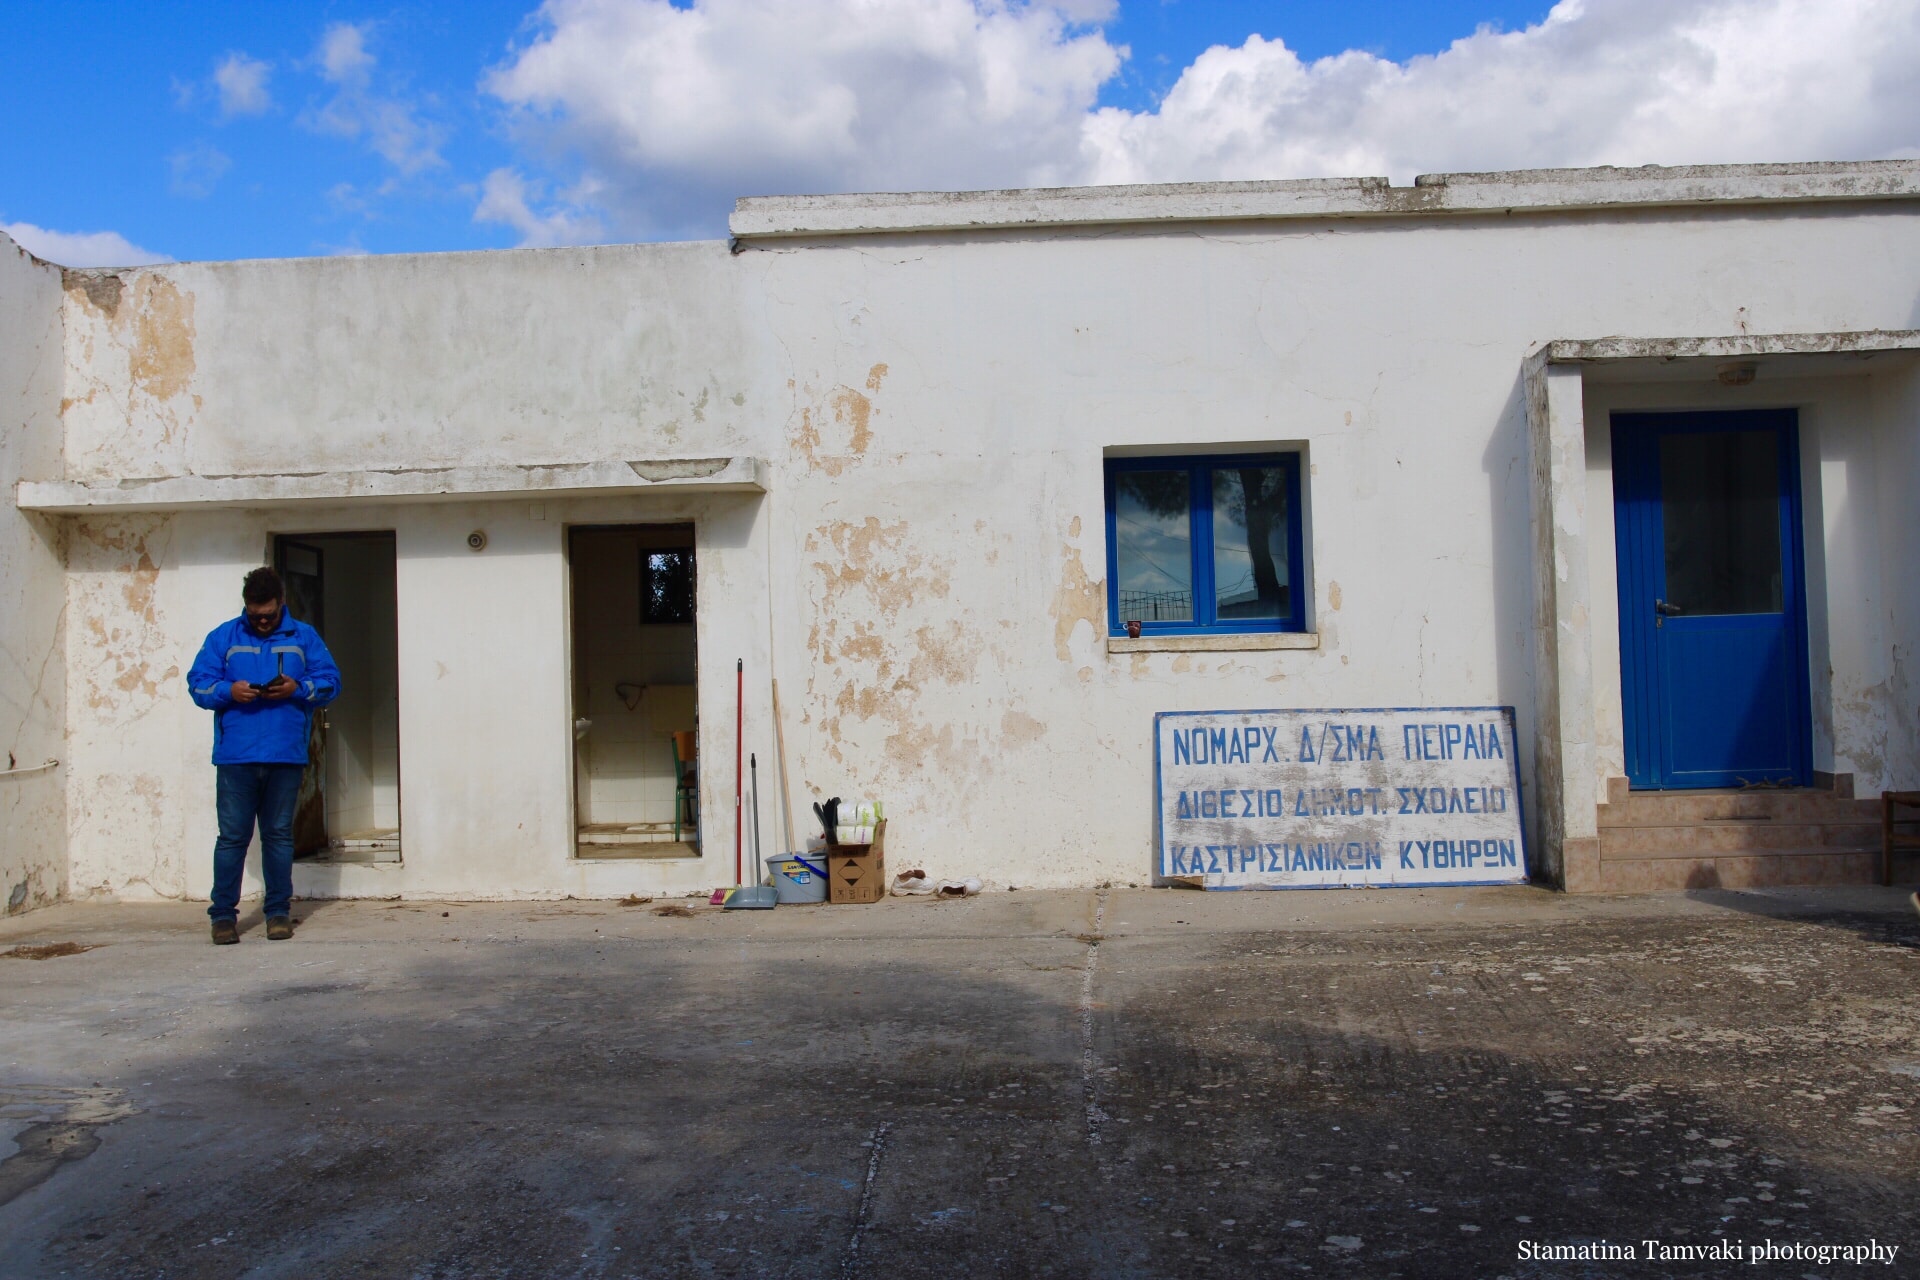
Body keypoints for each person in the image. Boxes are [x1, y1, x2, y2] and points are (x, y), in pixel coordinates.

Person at [187, 567, 341, 944]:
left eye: (268, 615)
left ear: (281, 603)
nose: (261, 622)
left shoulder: (304, 637)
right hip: (235, 759)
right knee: (232, 838)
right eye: (254, 615)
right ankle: (223, 917)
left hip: (285, 756)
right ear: (246, 606)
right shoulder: (223, 637)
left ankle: (278, 913)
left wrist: (297, 688)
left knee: (278, 837)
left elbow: (331, 683)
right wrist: (228, 691)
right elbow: (198, 685)